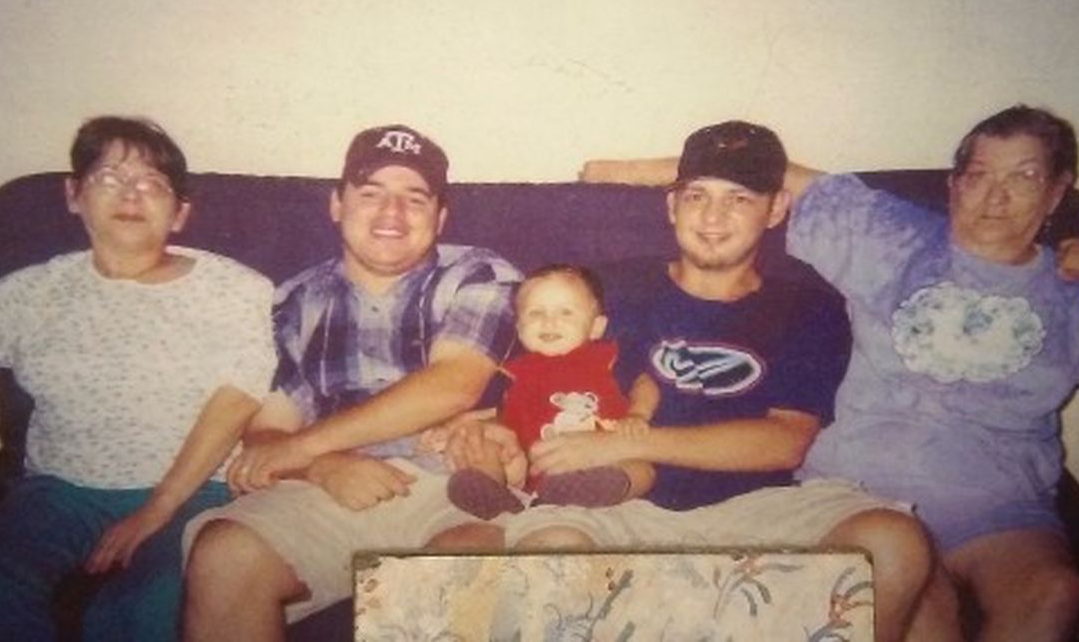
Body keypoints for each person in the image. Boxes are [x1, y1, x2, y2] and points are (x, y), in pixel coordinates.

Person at [580, 105, 1079, 641]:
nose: (996, 196)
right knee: (921, 611)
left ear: (1058, 192)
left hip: (1000, 509)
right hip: (863, 487)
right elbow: (762, 172)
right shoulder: (887, 235)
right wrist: (623, 171)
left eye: (1024, 177)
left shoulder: (1073, 298)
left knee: (1055, 593)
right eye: (980, 175)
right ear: (954, 184)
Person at [505, 120, 934, 642]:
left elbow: (785, 441)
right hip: (619, 503)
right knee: (549, 547)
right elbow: (522, 370)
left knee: (893, 541)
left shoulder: (807, 306)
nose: (712, 216)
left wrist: (623, 441)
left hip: (758, 511)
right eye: (697, 196)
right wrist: (477, 428)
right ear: (672, 205)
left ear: (775, 209)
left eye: (739, 198)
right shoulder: (608, 286)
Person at [0, 116, 276, 642]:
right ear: (74, 195)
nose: (131, 195)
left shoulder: (232, 288)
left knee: (137, 611)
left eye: (152, 184)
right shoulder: (34, 293)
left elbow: (238, 399)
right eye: (109, 177)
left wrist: (155, 511)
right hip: (59, 492)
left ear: (180, 213)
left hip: (195, 491)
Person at [180, 124, 523, 642]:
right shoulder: (291, 304)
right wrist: (323, 465)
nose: (392, 213)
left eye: (415, 198)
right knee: (225, 553)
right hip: (330, 489)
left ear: (440, 217)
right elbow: (268, 433)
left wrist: (306, 448)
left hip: (455, 482)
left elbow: (452, 385)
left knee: (462, 563)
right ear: (337, 204)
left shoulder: (478, 274)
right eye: (371, 194)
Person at [433, 263, 657, 520]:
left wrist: (638, 414)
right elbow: (485, 411)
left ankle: (587, 491)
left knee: (643, 469)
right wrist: (450, 425)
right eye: (536, 313)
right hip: (528, 466)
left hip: (603, 461)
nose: (549, 321)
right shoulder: (510, 371)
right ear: (519, 328)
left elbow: (644, 383)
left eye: (566, 312)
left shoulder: (609, 357)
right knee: (484, 442)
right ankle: (488, 490)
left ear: (596, 327)